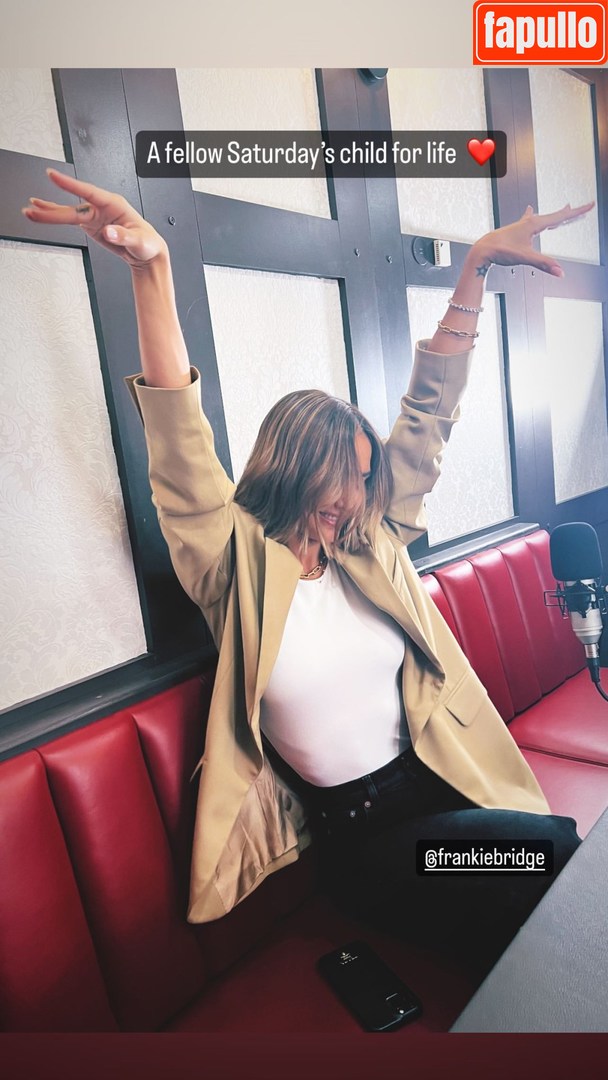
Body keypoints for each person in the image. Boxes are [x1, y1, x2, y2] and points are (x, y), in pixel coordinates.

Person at [24, 170, 591, 972]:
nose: (354, 496)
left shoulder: (368, 545)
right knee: (547, 858)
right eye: (339, 477)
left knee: (554, 873)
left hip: (446, 785)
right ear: (290, 467)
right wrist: (152, 269)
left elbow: (427, 419)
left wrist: (475, 270)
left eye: (362, 477)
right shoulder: (234, 568)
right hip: (371, 844)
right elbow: (180, 447)